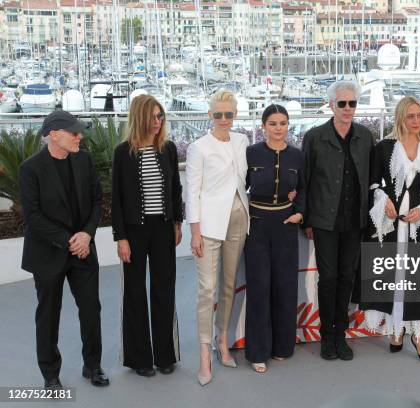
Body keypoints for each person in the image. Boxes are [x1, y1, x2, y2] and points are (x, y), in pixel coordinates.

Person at [20, 110, 109, 390]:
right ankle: (50, 375)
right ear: (55, 135)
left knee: (91, 310)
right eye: (74, 132)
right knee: (48, 315)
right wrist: (70, 239)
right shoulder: (31, 168)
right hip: (48, 253)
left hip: (83, 250)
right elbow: (33, 217)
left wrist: (86, 234)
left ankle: (92, 366)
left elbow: (97, 201)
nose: (79, 136)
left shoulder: (84, 160)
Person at [359, 97, 420, 362]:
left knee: (416, 278)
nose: (416, 121)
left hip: (417, 224)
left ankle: (417, 334)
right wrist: (384, 201)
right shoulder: (384, 147)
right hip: (392, 223)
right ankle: (396, 329)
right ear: (400, 118)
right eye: (411, 117)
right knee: (393, 276)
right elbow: (373, 184)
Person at [302, 80, 374, 361]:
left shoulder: (366, 137)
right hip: (324, 221)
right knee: (328, 278)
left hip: (354, 221)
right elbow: (305, 180)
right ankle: (327, 336)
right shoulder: (314, 137)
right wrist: (306, 220)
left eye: (352, 103)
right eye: (341, 103)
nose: (347, 108)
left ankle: (340, 334)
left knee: (347, 277)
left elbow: (372, 179)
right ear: (331, 105)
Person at [111, 95, 183, 377]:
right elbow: (116, 198)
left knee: (164, 290)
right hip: (134, 232)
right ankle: (139, 358)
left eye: (161, 116)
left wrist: (177, 223)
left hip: (164, 229)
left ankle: (165, 356)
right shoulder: (123, 152)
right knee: (135, 292)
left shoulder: (168, 149)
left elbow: (175, 188)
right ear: (139, 118)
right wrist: (121, 237)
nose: (158, 122)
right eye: (153, 117)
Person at [185, 89, 249, 385]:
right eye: (218, 114)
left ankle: (222, 341)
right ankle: (204, 353)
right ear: (210, 115)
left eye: (229, 114)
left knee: (227, 286)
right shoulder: (199, 147)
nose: (224, 119)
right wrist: (194, 232)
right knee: (206, 291)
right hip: (209, 225)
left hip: (238, 218)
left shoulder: (242, 141)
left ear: (235, 115)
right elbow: (192, 192)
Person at [244, 104, 305, 373]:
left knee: (285, 285)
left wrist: (300, 213)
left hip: (286, 225)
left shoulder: (297, 156)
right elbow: (238, 186)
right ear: (263, 126)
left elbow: (305, 187)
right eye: (273, 123)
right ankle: (258, 351)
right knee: (259, 287)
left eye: (282, 123)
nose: (278, 128)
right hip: (257, 225)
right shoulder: (251, 153)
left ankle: (283, 346)